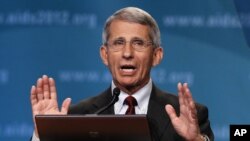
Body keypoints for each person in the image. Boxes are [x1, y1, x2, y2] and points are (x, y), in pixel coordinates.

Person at [30, 7, 214, 141]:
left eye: (138, 43)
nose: (127, 53)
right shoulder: (78, 116)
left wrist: (196, 140)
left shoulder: (190, 115)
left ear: (156, 56)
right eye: (118, 43)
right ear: (105, 54)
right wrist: (43, 135)